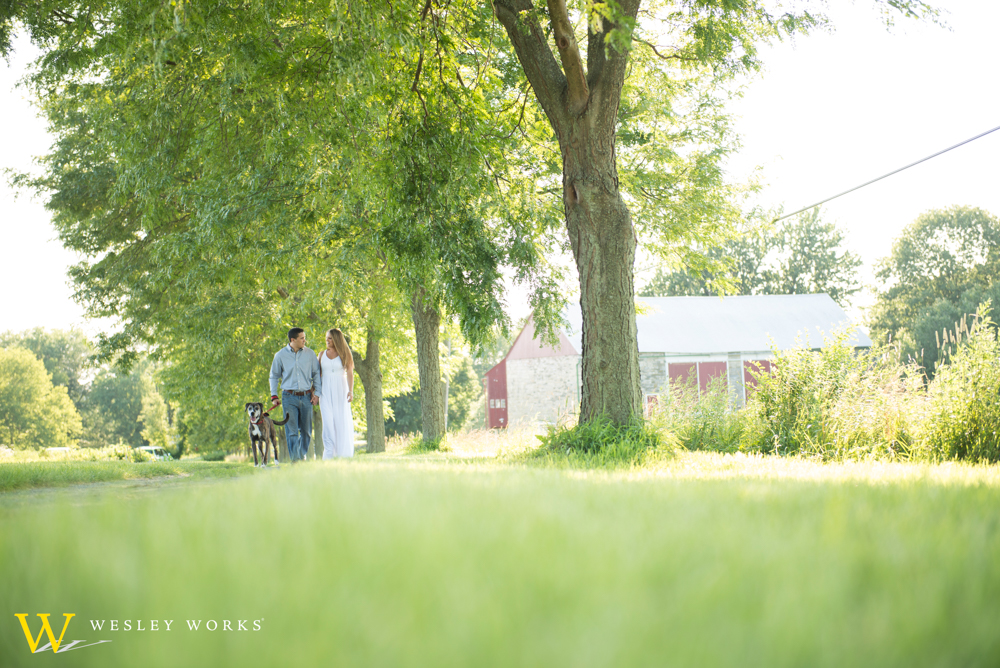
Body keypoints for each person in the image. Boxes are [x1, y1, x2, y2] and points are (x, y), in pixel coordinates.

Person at [269, 327, 322, 461]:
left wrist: (317, 393)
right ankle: (296, 461)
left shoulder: (310, 354)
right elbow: (274, 376)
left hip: (306, 397)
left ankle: (300, 455)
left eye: (304, 337)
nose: (305, 340)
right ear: (293, 340)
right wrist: (274, 396)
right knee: (291, 431)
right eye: (302, 338)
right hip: (288, 397)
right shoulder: (280, 355)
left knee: (306, 432)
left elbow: (316, 374)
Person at [318, 328, 355, 459]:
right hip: (325, 393)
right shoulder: (321, 355)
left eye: (330, 338)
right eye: (326, 338)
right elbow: (317, 375)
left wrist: (351, 391)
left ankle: (342, 455)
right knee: (328, 425)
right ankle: (328, 455)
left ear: (336, 339)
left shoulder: (345, 354)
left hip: (341, 392)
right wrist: (314, 392)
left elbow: (350, 373)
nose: (327, 340)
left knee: (341, 423)